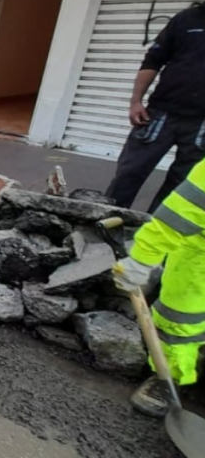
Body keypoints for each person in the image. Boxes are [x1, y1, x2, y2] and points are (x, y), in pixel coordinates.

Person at [113, 156, 205, 417]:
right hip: (200, 258)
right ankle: (168, 378)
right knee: (181, 320)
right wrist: (142, 259)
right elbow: (179, 214)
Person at [105, 5, 205, 212]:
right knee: (129, 172)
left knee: (182, 186)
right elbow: (153, 60)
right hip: (161, 114)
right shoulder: (186, 19)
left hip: (201, 126)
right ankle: (104, 222)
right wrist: (136, 102)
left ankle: (152, 230)